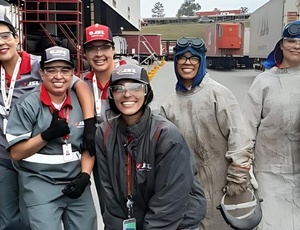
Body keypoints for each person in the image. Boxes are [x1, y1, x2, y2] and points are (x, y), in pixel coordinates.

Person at [0, 15, 95, 230]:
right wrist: (47, 135)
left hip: (57, 164)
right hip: (12, 156)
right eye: (52, 70)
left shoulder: (37, 64)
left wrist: (89, 123)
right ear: (43, 74)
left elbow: (78, 84)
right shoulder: (29, 103)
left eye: (5, 36)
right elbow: (17, 151)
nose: (58, 76)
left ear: (16, 38)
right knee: (11, 220)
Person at [95, 63, 206, 230]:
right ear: (111, 94)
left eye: (135, 87)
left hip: (176, 222)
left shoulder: (166, 135)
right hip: (133, 221)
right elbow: (108, 193)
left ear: (146, 92)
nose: (127, 94)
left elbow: (170, 200)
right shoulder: (104, 133)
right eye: (118, 88)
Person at [160, 37, 254, 230]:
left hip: (225, 185)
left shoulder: (218, 94)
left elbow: (239, 136)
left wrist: (238, 175)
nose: (187, 63)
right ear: (175, 62)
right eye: (182, 58)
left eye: (193, 58)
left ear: (201, 61)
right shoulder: (168, 105)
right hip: (190, 188)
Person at [242, 20, 300, 230]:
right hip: (269, 172)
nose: (296, 45)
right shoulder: (264, 82)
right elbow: (246, 129)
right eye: (291, 40)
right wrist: (242, 167)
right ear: (281, 45)